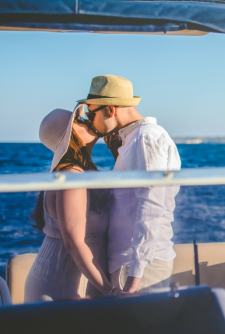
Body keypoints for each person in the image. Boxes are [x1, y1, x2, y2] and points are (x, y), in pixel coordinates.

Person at [78, 75, 181, 293]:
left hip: (136, 266)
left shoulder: (145, 138)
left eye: (91, 113)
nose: (90, 121)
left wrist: (135, 276)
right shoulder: (135, 139)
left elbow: (151, 205)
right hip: (132, 263)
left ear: (111, 109)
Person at [24, 107, 113, 302]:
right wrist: (111, 293)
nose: (87, 121)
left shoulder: (84, 172)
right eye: (80, 120)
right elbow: (73, 243)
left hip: (76, 285)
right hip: (59, 288)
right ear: (72, 134)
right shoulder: (71, 176)